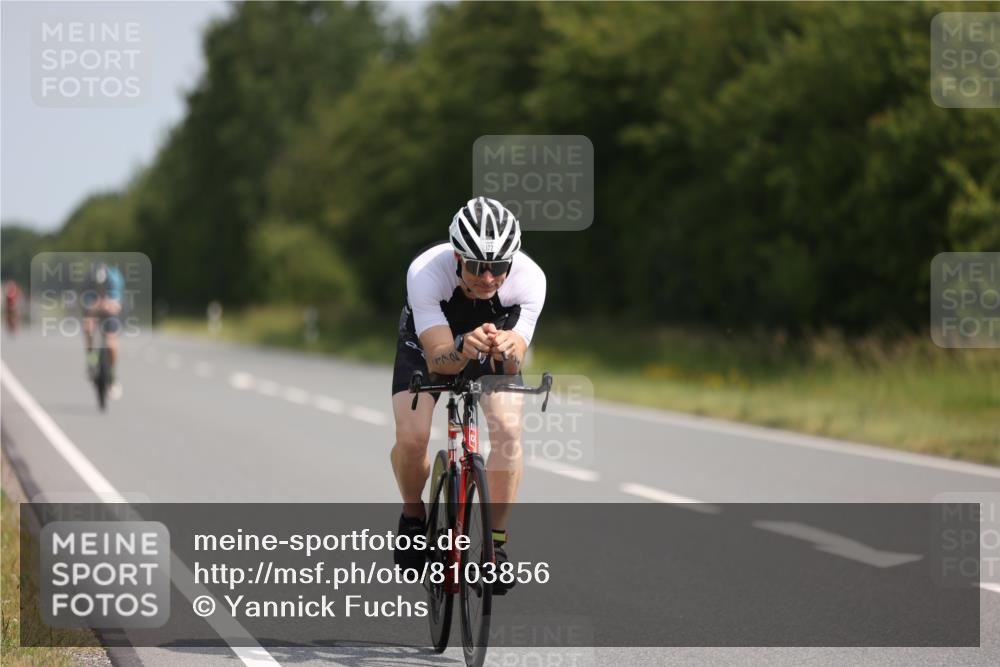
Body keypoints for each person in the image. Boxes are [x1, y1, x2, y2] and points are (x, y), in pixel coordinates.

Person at [390, 196, 546, 594]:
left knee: (509, 431)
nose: (489, 278)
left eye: (499, 268)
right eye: (477, 267)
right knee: (412, 438)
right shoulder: (426, 272)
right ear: (458, 257)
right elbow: (439, 359)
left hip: (492, 337)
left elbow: (515, 360)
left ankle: (495, 548)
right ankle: (412, 515)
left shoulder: (530, 279)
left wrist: (511, 349)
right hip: (433, 343)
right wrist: (462, 348)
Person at [82, 262, 125, 399]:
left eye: (102, 285)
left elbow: (115, 306)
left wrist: (106, 305)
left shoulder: (114, 279)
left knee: (111, 343)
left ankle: (112, 375)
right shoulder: (89, 281)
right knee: (88, 327)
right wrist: (97, 306)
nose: (100, 287)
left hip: (111, 310)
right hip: (95, 307)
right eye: (97, 285)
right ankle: (91, 359)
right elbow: (88, 305)